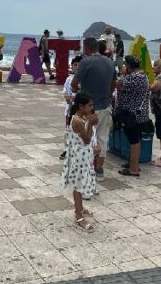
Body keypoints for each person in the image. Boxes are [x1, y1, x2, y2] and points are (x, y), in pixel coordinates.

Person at [71, 37, 117, 180]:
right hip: (105, 106)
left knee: (85, 139)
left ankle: (85, 169)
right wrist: (107, 96)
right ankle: (99, 170)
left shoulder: (86, 62)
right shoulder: (110, 62)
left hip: (87, 109)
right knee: (102, 139)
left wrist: (81, 93)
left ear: (86, 48)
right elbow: (113, 84)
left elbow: (74, 84)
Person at [63, 92, 98, 232]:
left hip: (82, 155)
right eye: (89, 105)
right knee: (78, 186)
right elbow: (87, 140)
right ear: (81, 106)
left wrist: (89, 121)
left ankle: (81, 208)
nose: (92, 108)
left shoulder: (81, 117)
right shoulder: (78, 121)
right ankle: (78, 214)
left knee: (82, 183)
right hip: (79, 157)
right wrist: (90, 124)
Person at [115, 56, 151, 177]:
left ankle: (134, 169)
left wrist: (122, 74)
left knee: (134, 140)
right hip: (141, 114)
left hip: (132, 115)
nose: (124, 67)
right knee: (136, 139)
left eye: (125, 65)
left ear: (129, 67)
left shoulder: (133, 77)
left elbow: (118, 85)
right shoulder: (143, 75)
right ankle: (132, 163)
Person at [60, 55, 83, 160]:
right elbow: (65, 92)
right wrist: (67, 98)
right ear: (71, 66)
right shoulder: (69, 79)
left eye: (79, 65)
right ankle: (67, 149)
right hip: (70, 108)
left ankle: (77, 149)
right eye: (75, 65)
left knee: (79, 129)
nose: (77, 67)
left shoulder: (84, 79)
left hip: (79, 109)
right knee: (68, 129)